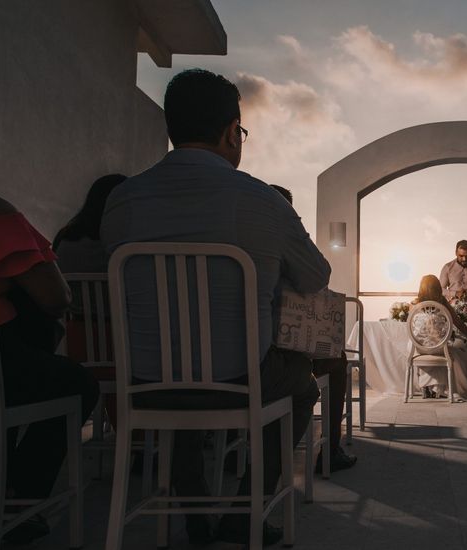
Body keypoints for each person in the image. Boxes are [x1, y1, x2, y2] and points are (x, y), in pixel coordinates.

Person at [101, 68, 336, 545]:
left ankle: (193, 512)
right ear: (233, 131)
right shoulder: (264, 202)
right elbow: (316, 277)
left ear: (172, 128)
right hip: (239, 380)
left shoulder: (121, 201)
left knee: (182, 364)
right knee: (300, 384)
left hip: (143, 384)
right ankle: (243, 510)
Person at [0, 195, 100, 545]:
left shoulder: (69, 236)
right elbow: (55, 296)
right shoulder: (1, 215)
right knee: (77, 383)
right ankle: (20, 498)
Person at [268, 183, 354, 473]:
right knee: (335, 360)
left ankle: (235, 449)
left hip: (223, 355)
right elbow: (318, 277)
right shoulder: (283, 240)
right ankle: (329, 452)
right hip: (275, 352)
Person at [53, 173, 126, 429]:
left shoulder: (65, 239)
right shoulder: (121, 248)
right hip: (119, 349)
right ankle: (137, 439)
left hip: (75, 345)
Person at [411, 274, 467, 400]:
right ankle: (438, 388)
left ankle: (429, 387)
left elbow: (411, 328)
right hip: (439, 348)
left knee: (417, 345)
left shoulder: (415, 304)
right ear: (438, 288)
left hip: (419, 349)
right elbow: (458, 323)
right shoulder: (443, 303)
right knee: (454, 354)